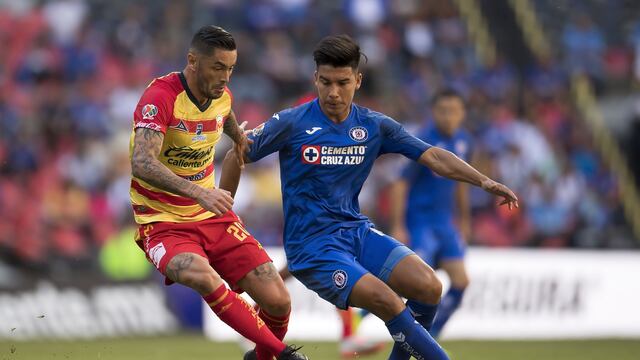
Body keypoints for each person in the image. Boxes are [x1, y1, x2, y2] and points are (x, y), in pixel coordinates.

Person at [221, 35, 518, 360]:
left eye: (343, 82)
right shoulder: (292, 122)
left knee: (429, 287)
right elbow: (238, 154)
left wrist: (484, 180)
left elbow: (432, 156)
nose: (334, 92)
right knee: (389, 301)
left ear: (358, 80)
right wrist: (226, 209)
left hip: (356, 232)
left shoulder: (373, 126)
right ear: (315, 79)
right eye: (326, 82)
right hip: (312, 248)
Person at [129, 25, 308, 360]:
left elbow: (224, 115)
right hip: (163, 223)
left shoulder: (222, 97)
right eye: (218, 67)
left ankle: (260, 358)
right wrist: (199, 192)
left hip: (212, 217)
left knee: (278, 300)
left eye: (231, 68)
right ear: (193, 61)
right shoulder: (161, 97)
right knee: (203, 276)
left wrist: (239, 139)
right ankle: (284, 355)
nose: (226, 77)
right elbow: (141, 162)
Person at [389, 89, 473, 339]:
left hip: (444, 222)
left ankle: (431, 335)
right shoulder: (422, 142)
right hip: (420, 221)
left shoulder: (465, 141)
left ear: (462, 114)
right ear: (433, 112)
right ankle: (364, 315)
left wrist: (465, 221)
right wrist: (398, 225)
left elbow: (460, 182)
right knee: (414, 284)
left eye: (454, 111)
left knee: (461, 281)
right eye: (443, 111)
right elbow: (400, 184)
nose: (449, 117)